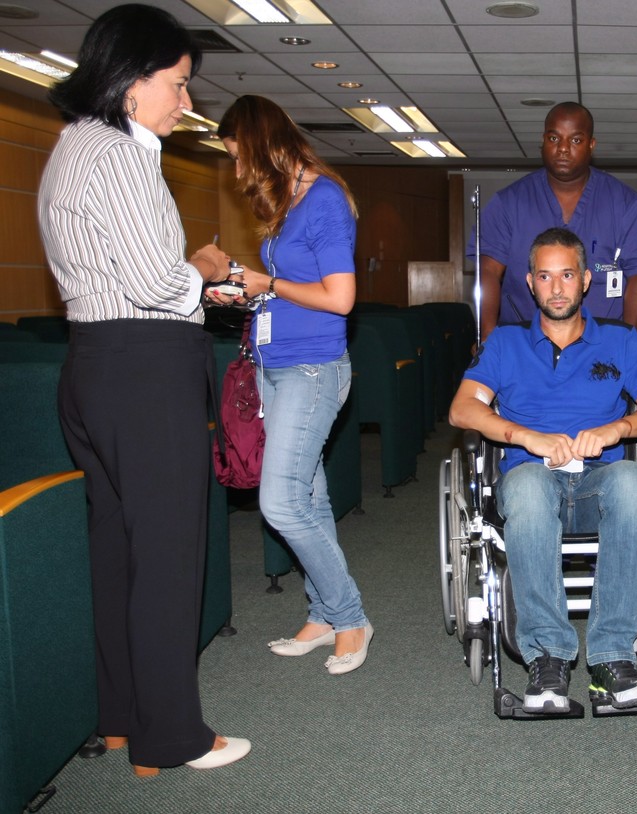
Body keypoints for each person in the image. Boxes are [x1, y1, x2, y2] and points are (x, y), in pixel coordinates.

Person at [37, 4, 250, 774]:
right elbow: (160, 280)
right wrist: (208, 267)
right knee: (166, 559)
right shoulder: (122, 157)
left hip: (94, 362)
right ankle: (172, 736)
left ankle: (123, 716)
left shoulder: (70, 146)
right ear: (130, 83)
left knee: (118, 552)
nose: (186, 102)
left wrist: (194, 291)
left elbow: (119, 282)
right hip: (145, 374)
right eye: (178, 83)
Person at [449, 227, 637, 713]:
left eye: (567, 275)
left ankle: (613, 660)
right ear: (530, 283)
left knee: (636, 483)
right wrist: (525, 436)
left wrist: (619, 428)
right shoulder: (505, 343)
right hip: (532, 480)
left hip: (599, 484)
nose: (556, 288)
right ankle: (548, 659)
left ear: (586, 281)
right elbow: (463, 410)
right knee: (529, 486)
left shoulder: (619, 341)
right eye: (545, 276)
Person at [217, 95, 372, 675]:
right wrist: (248, 289)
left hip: (312, 367)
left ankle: (351, 616)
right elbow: (288, 283)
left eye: (239, 158)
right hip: (276, 363)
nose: (237, 173)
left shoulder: (325, 200)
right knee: (309, 497)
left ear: (263, 147)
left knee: (280, 502)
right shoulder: (289, 205)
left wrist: (267, 283)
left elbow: (340, 298)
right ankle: (324, 611)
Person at [474, 102, 637, 340]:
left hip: (601, 347)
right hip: (523, 346)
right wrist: (487, 336)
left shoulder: (625, 203)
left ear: (591, 145)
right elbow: (487, 271)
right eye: (554, 138)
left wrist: (628, 345)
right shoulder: (508, 202)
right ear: (543, 141)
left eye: (575, 140)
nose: (563, 149)